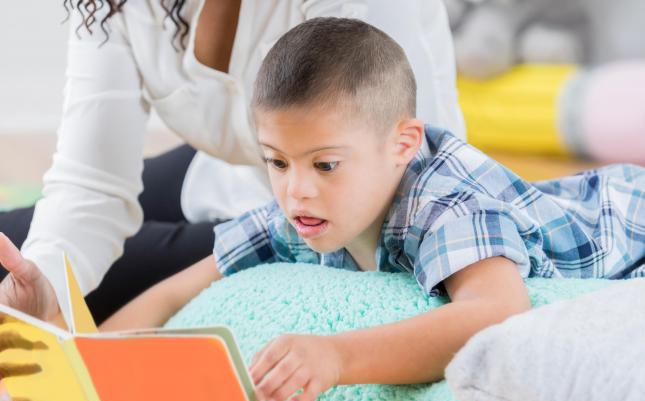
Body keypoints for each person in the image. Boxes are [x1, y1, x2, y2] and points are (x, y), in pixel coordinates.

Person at [5, 16, 644, 401]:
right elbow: (176, 294)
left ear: (403, 145)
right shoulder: (306, 200)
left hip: (628, 220)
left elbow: (496, 309)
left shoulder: (446, 198)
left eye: (324, 165)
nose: (296, 191)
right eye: (276, 163)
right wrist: (77, 382)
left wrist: (337, 356)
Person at [0, 0, 465, 324]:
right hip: (229, 172)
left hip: (329, 218)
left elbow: (388, 176)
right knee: (21, 258)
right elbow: (91, 186)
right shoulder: (117, 7)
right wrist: (44, 297)